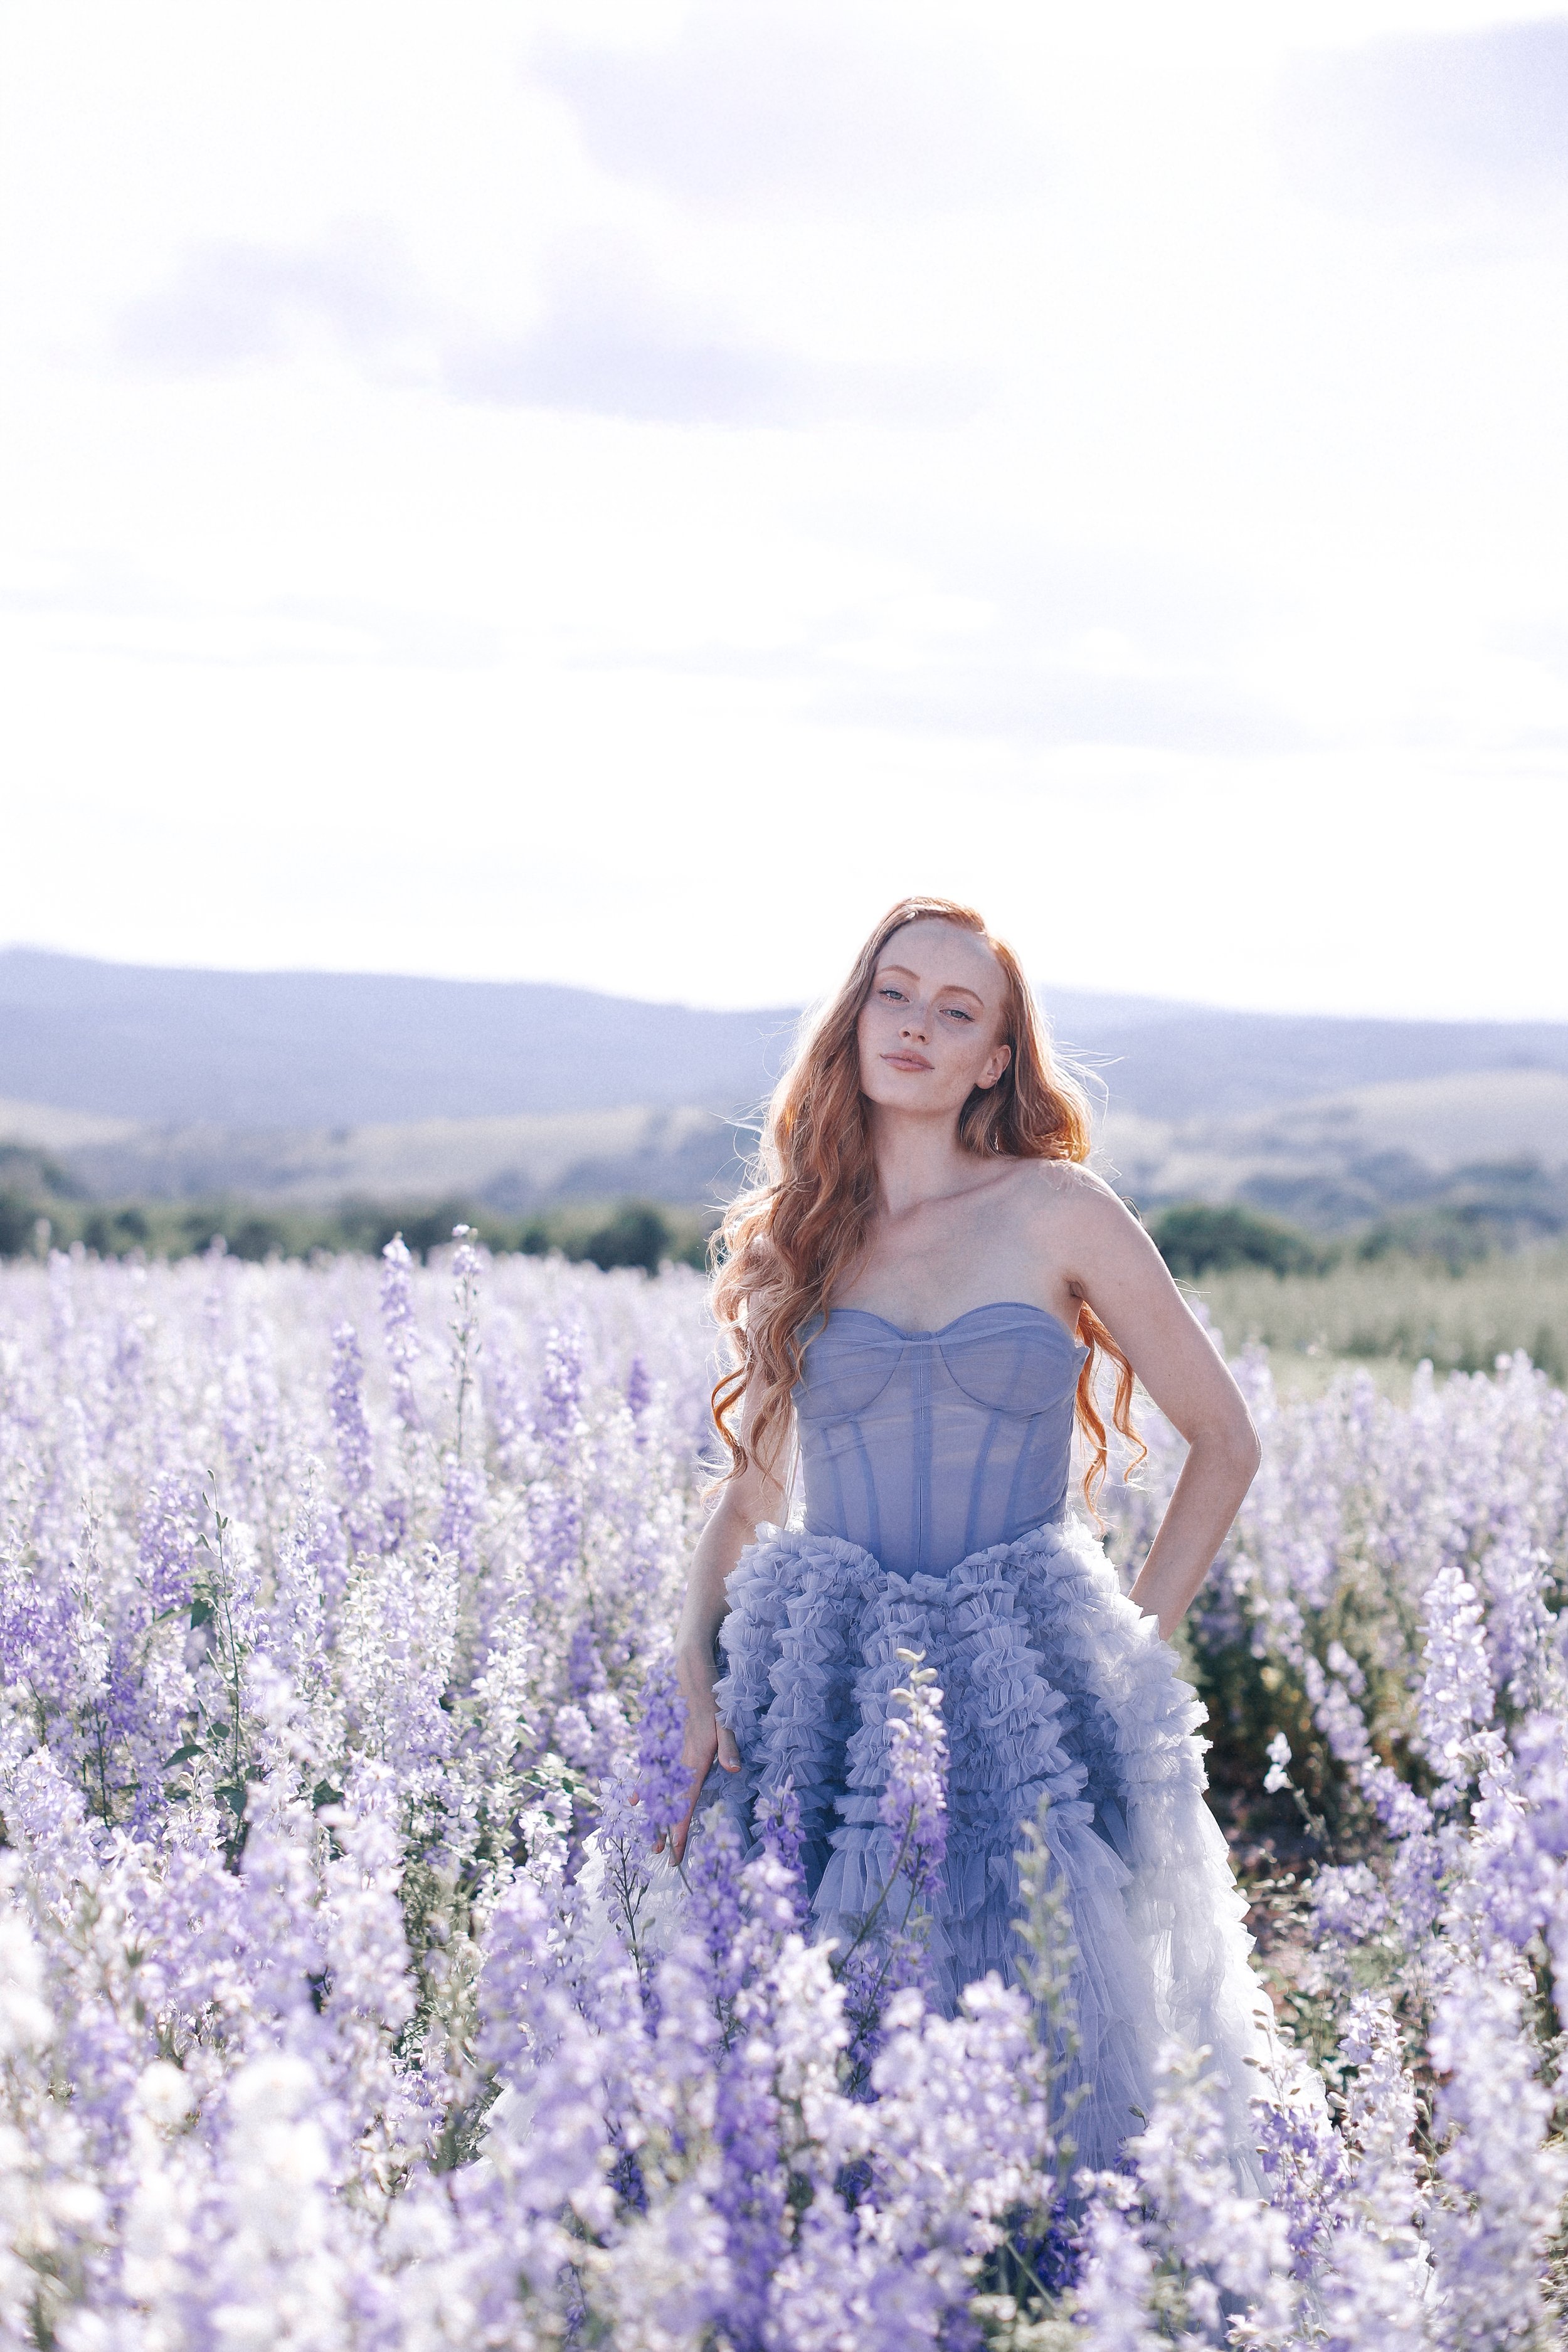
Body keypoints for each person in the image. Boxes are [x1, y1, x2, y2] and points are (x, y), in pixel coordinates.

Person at [671, 894, 1271, 2172]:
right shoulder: (806, 1233)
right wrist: (690, 1687)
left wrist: (1130, 1655)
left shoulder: (1058, 1210)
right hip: (823, 1667)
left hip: (1023, 1669)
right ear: (855, 1014)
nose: (916, 1027)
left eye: (957, 1012)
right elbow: (744, 1504)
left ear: (993, 1058)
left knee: (1057, 2029)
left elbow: (1222, 1440)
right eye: (894, 993)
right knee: (808, 2034)